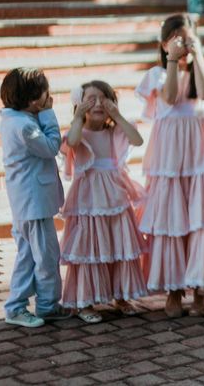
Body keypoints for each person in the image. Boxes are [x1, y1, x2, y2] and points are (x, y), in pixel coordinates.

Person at [135, 15, 204, 318]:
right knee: (171, 222)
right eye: (175, 40)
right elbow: (171, 97)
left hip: (198, 159)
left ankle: (200, 289)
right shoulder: (157, 75)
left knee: (199, 221)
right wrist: (173, 61)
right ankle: (174, 288)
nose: (182, 46)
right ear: (163, 44)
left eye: (186, 40)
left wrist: (197, 56)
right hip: (169, 160)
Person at [60, 80, 147, 323]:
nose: (98, 103)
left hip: (115, 195)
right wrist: (78, 117)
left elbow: (137, 139)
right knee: (90, 246)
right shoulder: (77, 130)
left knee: (118, 243)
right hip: (88, 198)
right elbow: (74, 142)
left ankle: (120, 296)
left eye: (103, 99)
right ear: (80, 103)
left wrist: (116, 115)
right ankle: (85, 302)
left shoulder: (114, 131)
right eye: (91, 99)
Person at [0, 67, 72, 327]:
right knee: (47, 256)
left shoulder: (12, 119)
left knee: (28, 255)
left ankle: (17, 306)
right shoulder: (25, 127)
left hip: (25, 203)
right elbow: (51, 147)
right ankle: (47, 305)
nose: (48, 97)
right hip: (34, 203)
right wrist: (48, 113)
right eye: (45, 94)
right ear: (32, 101)